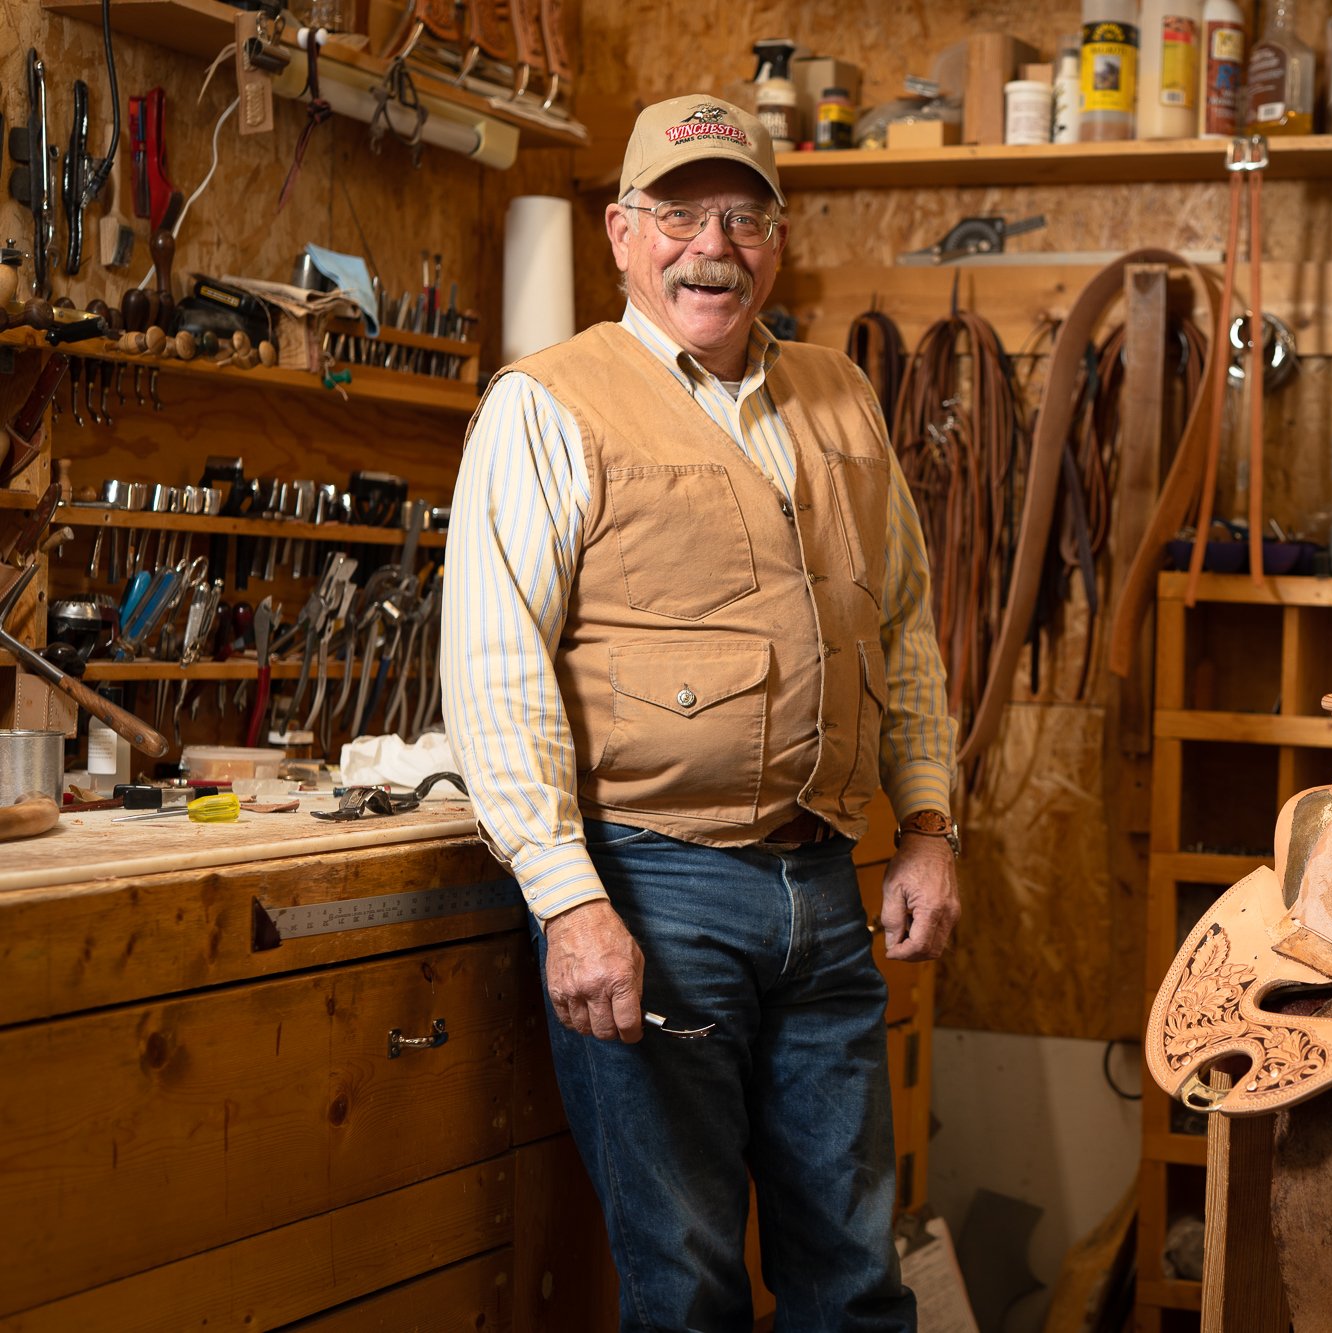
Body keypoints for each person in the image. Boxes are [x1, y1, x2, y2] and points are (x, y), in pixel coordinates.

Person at [441, 95, 959, 1332]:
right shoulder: (548, 404)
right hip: (652, 893)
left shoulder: (840, 397)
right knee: (687, 1294)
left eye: (740, 214)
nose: (708, 245)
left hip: (826, 893)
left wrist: (931, 823)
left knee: (856, 1281)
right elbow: (495, 668)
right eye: (677, 212)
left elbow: (904, 627)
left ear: (775, 238)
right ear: (621, 232)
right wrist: (569, 901)